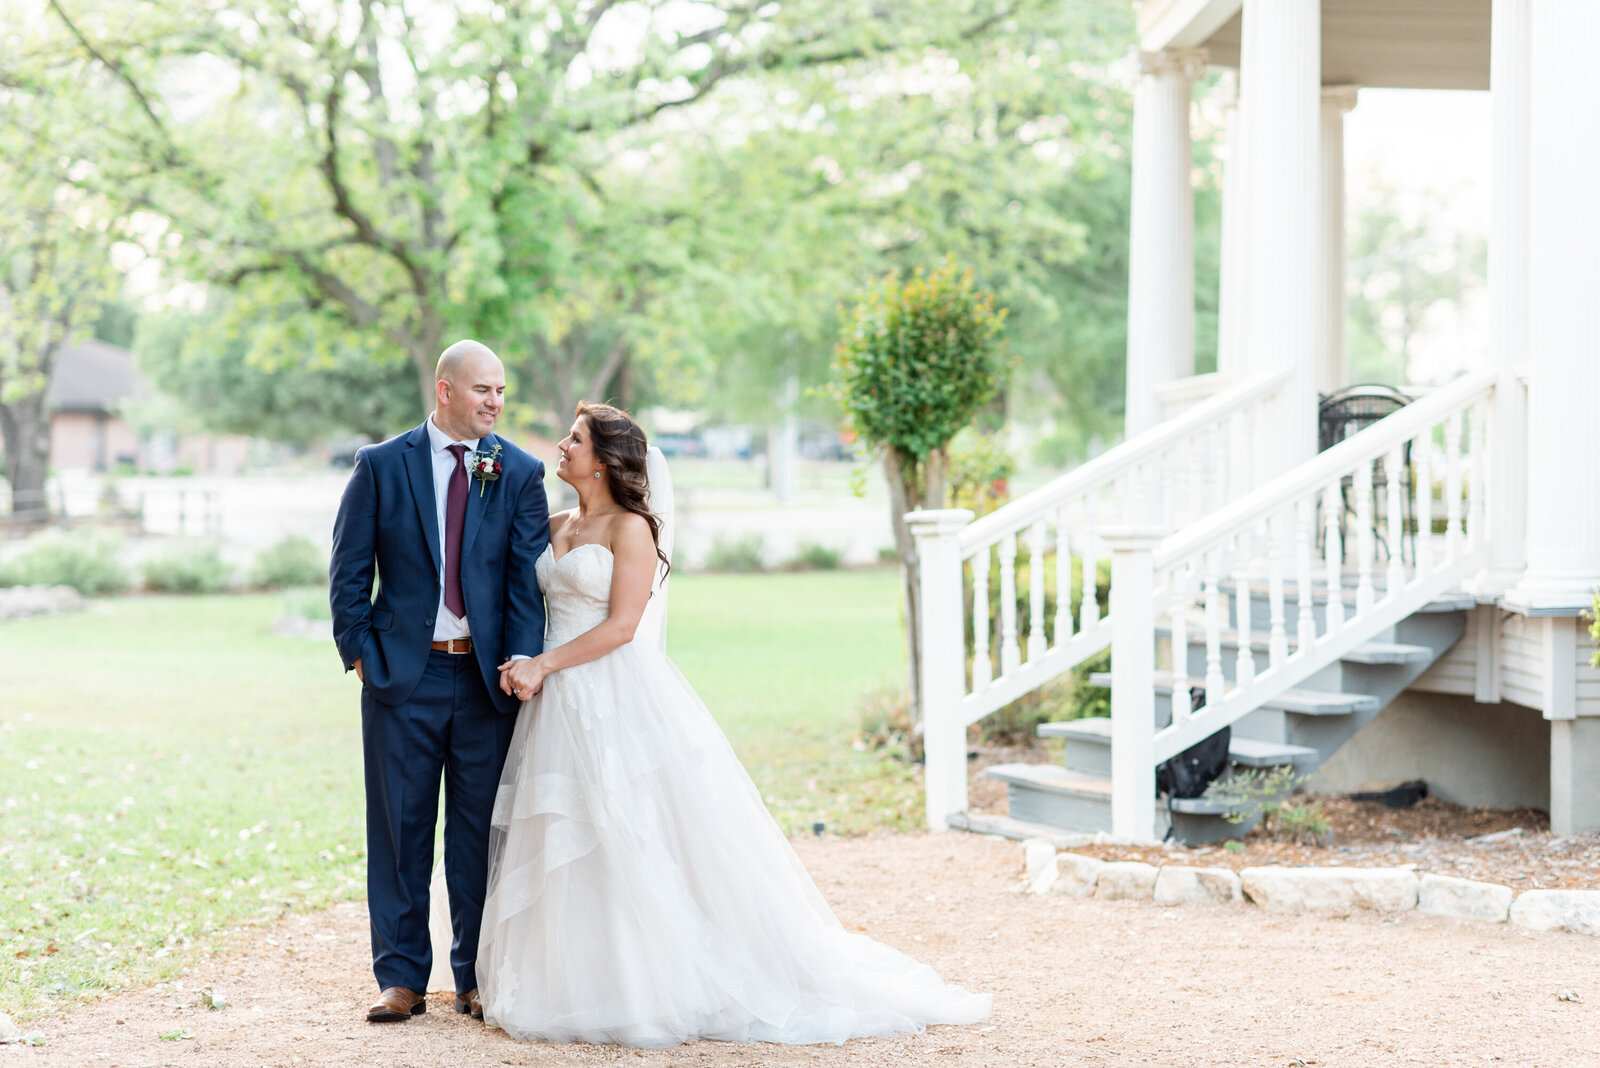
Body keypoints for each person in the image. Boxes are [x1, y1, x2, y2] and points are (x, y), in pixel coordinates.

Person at [482, 402, 990, 1047]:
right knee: (567, 834)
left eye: (574, 439)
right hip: (553, 702)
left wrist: (544, 664)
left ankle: (655, 984)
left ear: (607, 460)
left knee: (628, 827)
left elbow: (622, 627)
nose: (562, 445)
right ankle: (577, 979)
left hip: (609, 690)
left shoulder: (631, 529)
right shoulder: (555, 525)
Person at [329, 340, 550, 1024]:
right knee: (400, 828)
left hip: (487, 684)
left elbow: (525, 584)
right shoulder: (380, 466)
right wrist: (362, 652)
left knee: (480, 834)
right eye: (483, 389)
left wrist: (520, 662)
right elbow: (347, 572)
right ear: (445, 390)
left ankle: (476, 976)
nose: (495, 402)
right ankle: (400, 978)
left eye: (502, 391)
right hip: (403, 676)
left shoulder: (517, 471)